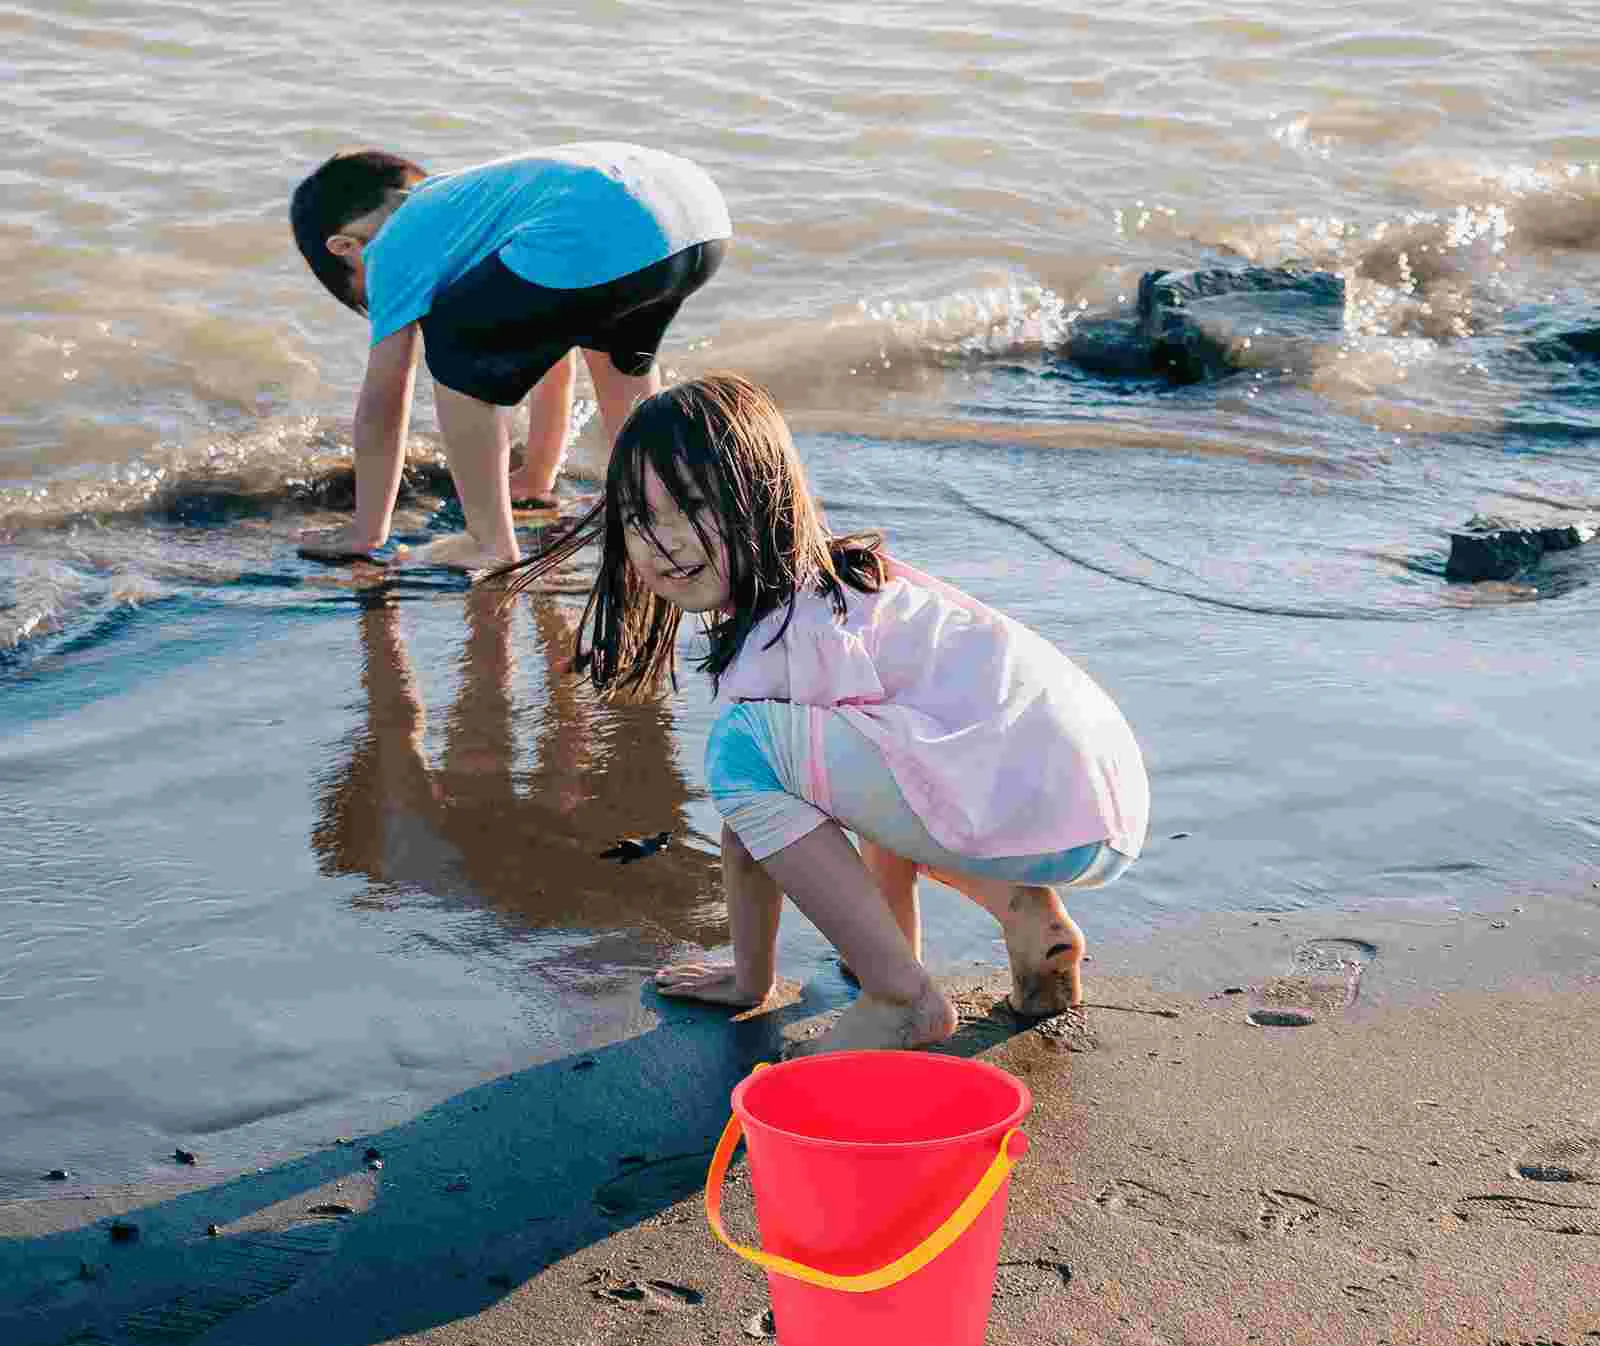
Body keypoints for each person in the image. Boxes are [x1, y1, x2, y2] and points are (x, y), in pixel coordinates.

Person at [498, 374, 1150, 1055]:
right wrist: (861, 948)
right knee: (846, 757)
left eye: (689, 506)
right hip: (1088, 809)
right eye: (639, 519)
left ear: (761, 498)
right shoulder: (851, 588)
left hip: (1045, 811)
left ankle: (901, 998)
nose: (662, 542)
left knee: (740, 754)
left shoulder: (791, 636)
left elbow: (749, 825)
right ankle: (1024, 918)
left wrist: (756, 981)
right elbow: (882, 787)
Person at [289, 143, 730, 571]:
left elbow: (383, 404)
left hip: (604, 228)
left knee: (452, 340)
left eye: (364, 291)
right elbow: (550, 342)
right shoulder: (469, 208)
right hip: (693, 218)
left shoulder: (391, 244)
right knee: (611, 347)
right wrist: (537, 479)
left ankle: (488, 543)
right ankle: (645, 502)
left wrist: (367, 532)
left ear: (345, 247)